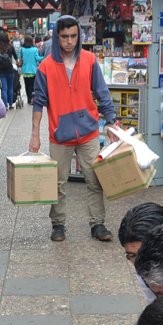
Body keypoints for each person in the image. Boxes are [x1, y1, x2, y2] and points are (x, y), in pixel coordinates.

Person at [29, 15, 119, 243]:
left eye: (73, 36)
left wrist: (111, 120)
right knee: (57, 183)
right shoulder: (46, 66)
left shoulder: (89, 60)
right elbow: (38, 101)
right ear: (56, 37)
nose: (69, 41)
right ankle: (58, 224)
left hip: (88, 132)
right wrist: (34, 135)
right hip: (59, 134)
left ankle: (97, 223)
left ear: (79, 36)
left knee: (94, 179)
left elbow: (102, 92)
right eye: (64, 37)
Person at [0, 34, 18, 109]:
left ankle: (5, 105)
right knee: (10, 87)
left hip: (1, 71)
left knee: (4, 89)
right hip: (10, 70)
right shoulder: (10, 47)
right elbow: (16, 57)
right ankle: (11, 104)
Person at [19, 34, 42, 105]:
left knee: (27, 85)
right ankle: (32, 99)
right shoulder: (35, 50)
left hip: (25, 71)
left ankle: (28, 99)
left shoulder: (21, 50)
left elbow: (19, 59)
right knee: (32, 86)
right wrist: (45, 57)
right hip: (33, 71)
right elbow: (38, 58)